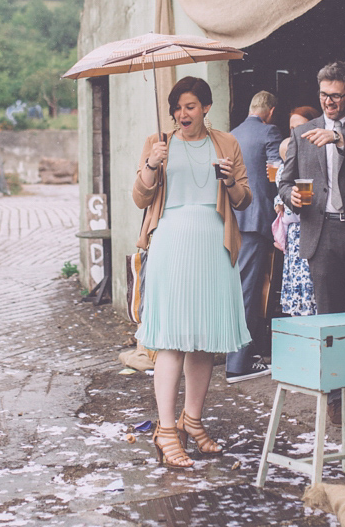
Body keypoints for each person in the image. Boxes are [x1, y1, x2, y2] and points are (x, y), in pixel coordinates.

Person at [133, 76, 252, 468]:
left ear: (205, 108)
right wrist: (152, 164)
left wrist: (230, 180)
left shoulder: (227, 144)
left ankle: (194, 421)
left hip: (214, 246)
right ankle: (167, 430)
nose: (182, 114)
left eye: (189, 106)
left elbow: (243, 199)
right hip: (171, 243)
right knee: (171, 338)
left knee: (203, 340)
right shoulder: (159, 144)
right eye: (177, 107)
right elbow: (140, 197)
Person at [278, 61, 345, 423]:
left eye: (336, 96)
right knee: (328, 318)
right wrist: (290, 194)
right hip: (319, 234)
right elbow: (284, 179)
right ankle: (335, 399)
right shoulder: (303, 132)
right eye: (323, 95)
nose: (328, 103)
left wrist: (339, 139)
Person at [225, 91, 283, 383]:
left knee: (238, 288)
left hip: (233, 220)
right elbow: (276, 172)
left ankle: (245, 352)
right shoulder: (269, 131)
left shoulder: (232, 135)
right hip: (256, 219)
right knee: (249, 291)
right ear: (270, 112)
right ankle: (238, 362)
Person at [276, 106, 321, 317]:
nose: (294, 132)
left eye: (299, 127)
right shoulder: (288, 156)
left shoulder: (320, 155)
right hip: (295, 234)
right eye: (291, 127)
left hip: (313, 229)